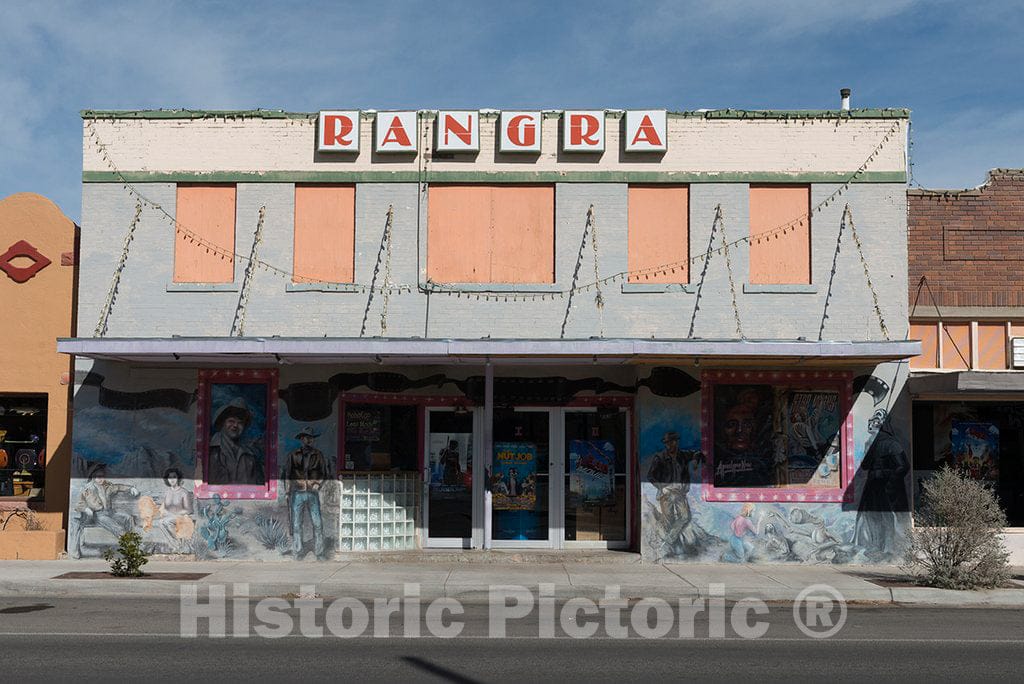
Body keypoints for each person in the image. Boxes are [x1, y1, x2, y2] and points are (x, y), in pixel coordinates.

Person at [646, 431, 708, 558]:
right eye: (668, 442)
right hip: (666, 493)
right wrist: (661, 487)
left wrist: (696, 461)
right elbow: (650, 476)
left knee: (685, 517)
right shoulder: (660, 457)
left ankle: (669, 540)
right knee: (669, 519)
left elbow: (698, 453)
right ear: (666, 444)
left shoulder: (683, 455)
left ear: (677, 442)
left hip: (680, 493)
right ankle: (669, 545)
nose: (671, 444)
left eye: (673, 441)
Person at [68, 464, 139, 559]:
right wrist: (86, 508)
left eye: (103, 476)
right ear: (93, 477)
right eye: (98, 477)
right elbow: (79, 503)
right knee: (117, 527)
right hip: (98, 515)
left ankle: (133, 541)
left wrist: (131, 488)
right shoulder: (88, 488)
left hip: (110, 512)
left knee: (128, 518)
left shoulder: (107, 486)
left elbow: (118, 487)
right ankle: (130, 547)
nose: (101, 479)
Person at [285, 427, 328, 559]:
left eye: (311, 437)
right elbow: (288, 474)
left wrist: (318, 484)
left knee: (317, 523)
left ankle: (319, 552)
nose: (309, 440)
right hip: (297, 493)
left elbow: (324, 473)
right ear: (302, 439)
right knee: (297, 523)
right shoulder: (293, 455)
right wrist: (287, 491)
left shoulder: (318, 455)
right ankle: (298, 551)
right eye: (306, 437)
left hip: (312, 493)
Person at [207, 398, 264, 486]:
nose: (235, 426)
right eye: (231, 421)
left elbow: (260, 485)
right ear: (222, 423)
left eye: (240, 423)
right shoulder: (209, 450)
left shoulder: (251, 456)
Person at [157, 467, 194, 549]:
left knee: (166, 522)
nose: (172, 479)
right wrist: (164, 512)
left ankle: (178, 543)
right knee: (160, 522)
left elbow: (189, 510)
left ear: (178, 478)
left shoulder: (184, 492)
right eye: (170, 477)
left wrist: (175, 514)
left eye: (174, 477)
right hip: (169, 517)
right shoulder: (167, 492)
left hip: (182, 517)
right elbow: (165, 507)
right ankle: (176, 544)